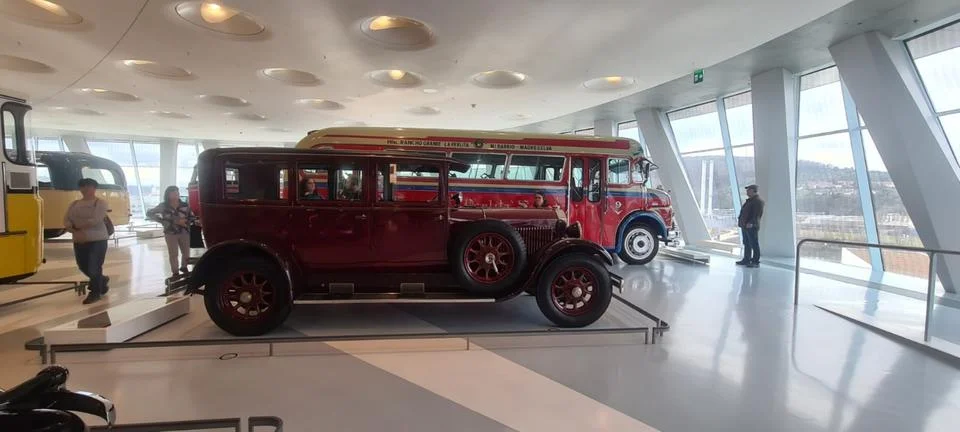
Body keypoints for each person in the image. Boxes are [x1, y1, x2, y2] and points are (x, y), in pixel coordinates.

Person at [64, 178, 110, 304]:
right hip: (79, 239)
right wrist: (72, 228)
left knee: (94, 266)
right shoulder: (74, 204)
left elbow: (95, 219)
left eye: (88, 186)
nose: (85, 189)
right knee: (82, 265)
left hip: (97, 239)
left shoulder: (100, 203)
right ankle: (102, 280)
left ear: (94, 188)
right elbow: (66, 219)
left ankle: (95, 293)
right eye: (82, 186)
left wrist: (78, 227)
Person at [147, 186, 197, 278]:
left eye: (177, 193)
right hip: (170, 233)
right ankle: (175, 272)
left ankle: (184, 267)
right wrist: (162, 221)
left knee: (186, 252)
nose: (176, 195)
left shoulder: (185, 205)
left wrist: (186, 222)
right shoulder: (163, 206)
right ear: (168, 195)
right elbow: (149, 213)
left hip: (184, 232)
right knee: (173, 253)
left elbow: (192, 217)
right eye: (173, 193)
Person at [737, 184, 765, 268]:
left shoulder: (758, 201)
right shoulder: (749, 201)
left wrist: (752, 223)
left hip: (751, 226)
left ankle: (755, 261)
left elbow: (757, 214)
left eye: (748, 190)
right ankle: (747, 259)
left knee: (754, 243)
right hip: (745, 225)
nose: (747, 191)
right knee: (747, 243)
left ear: (753, 191)